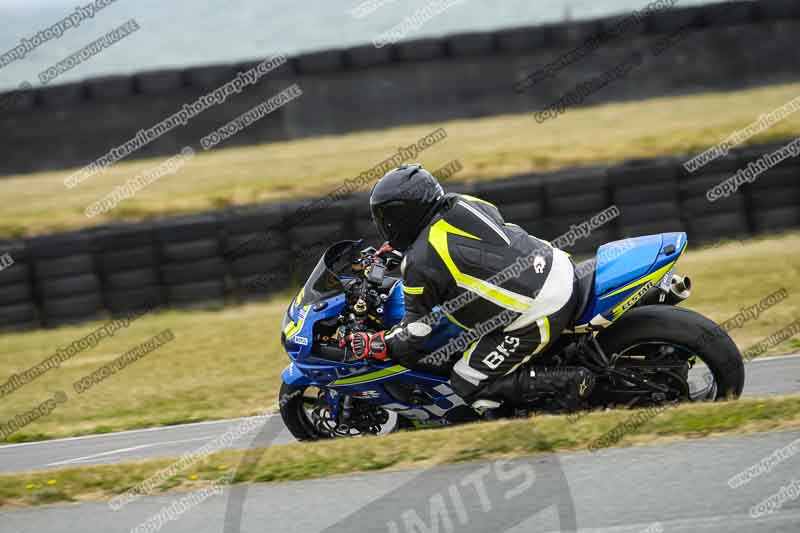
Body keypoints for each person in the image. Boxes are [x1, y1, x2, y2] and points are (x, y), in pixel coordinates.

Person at [347, 164, 594, 411]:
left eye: (385, 218)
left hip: (541, 306)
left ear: (403, 216)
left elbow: (416, 333)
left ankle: (569, 382)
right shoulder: (460, 202)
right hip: (555, 263)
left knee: (467, 381)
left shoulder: (420, 263)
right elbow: (465, 246)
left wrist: (377, 343)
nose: (384, 225)